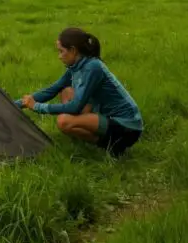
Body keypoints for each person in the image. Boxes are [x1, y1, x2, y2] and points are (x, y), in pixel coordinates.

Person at [15, 27, 143, 157]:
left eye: (61, 51)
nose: (59, 56)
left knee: (64, 121)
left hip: (127, 127)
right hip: (107, 117)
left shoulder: (93, 67)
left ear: (73, 50)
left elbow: (75, 107)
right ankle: (82, 133)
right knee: (66, 91)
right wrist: (17, 104)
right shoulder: (76, 66)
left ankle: (110, 146)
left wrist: (37, 107)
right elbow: (52, 90)